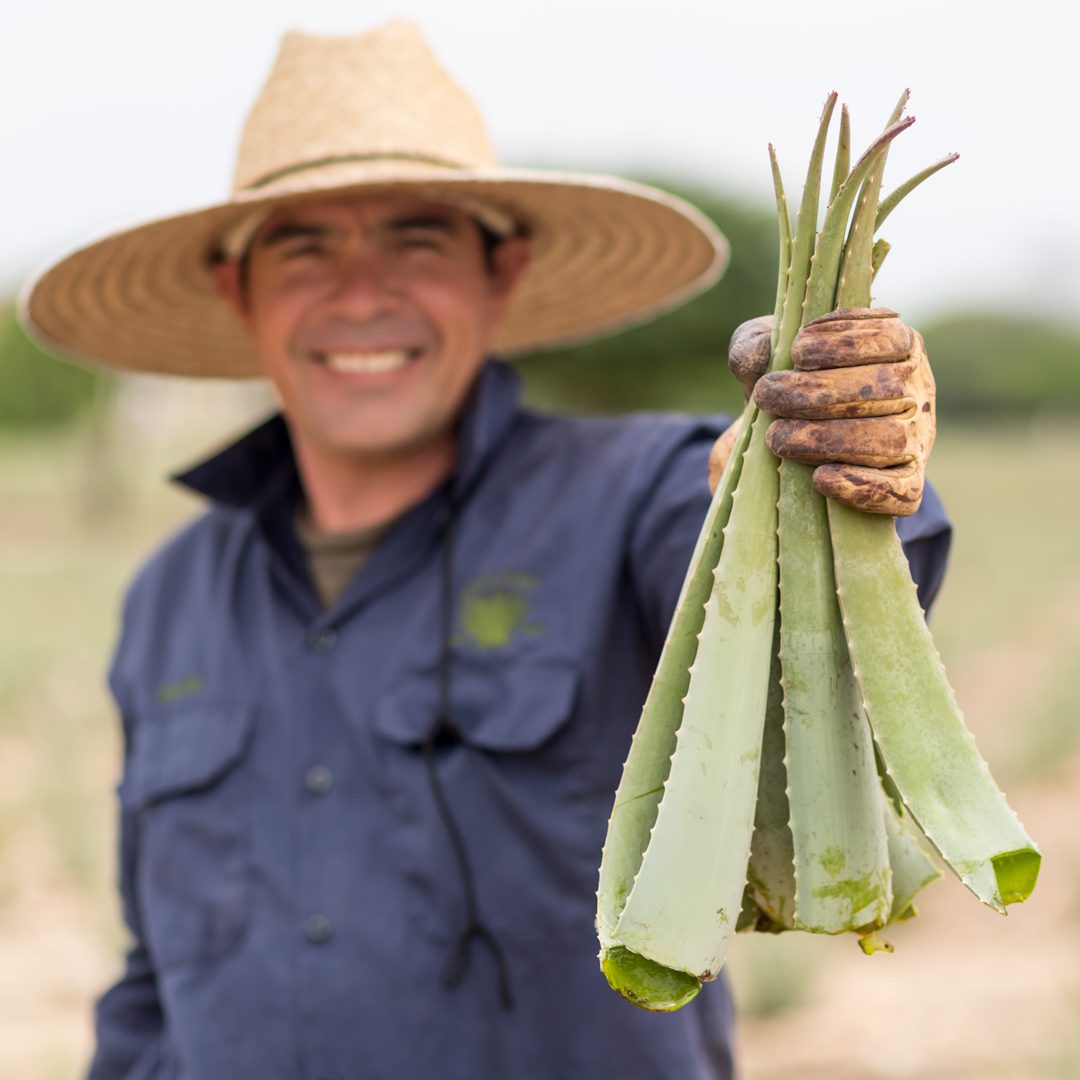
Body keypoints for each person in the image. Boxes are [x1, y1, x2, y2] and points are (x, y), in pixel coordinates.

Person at [21, 20, 950, 1080]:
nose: (361, 293)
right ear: (241, 294)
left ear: (499, 273)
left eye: (416, 239)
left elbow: (811, 593)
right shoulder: (170, 596)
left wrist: (827, 480)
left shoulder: (637, 495)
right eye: (303, 246)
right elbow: (154, 974)